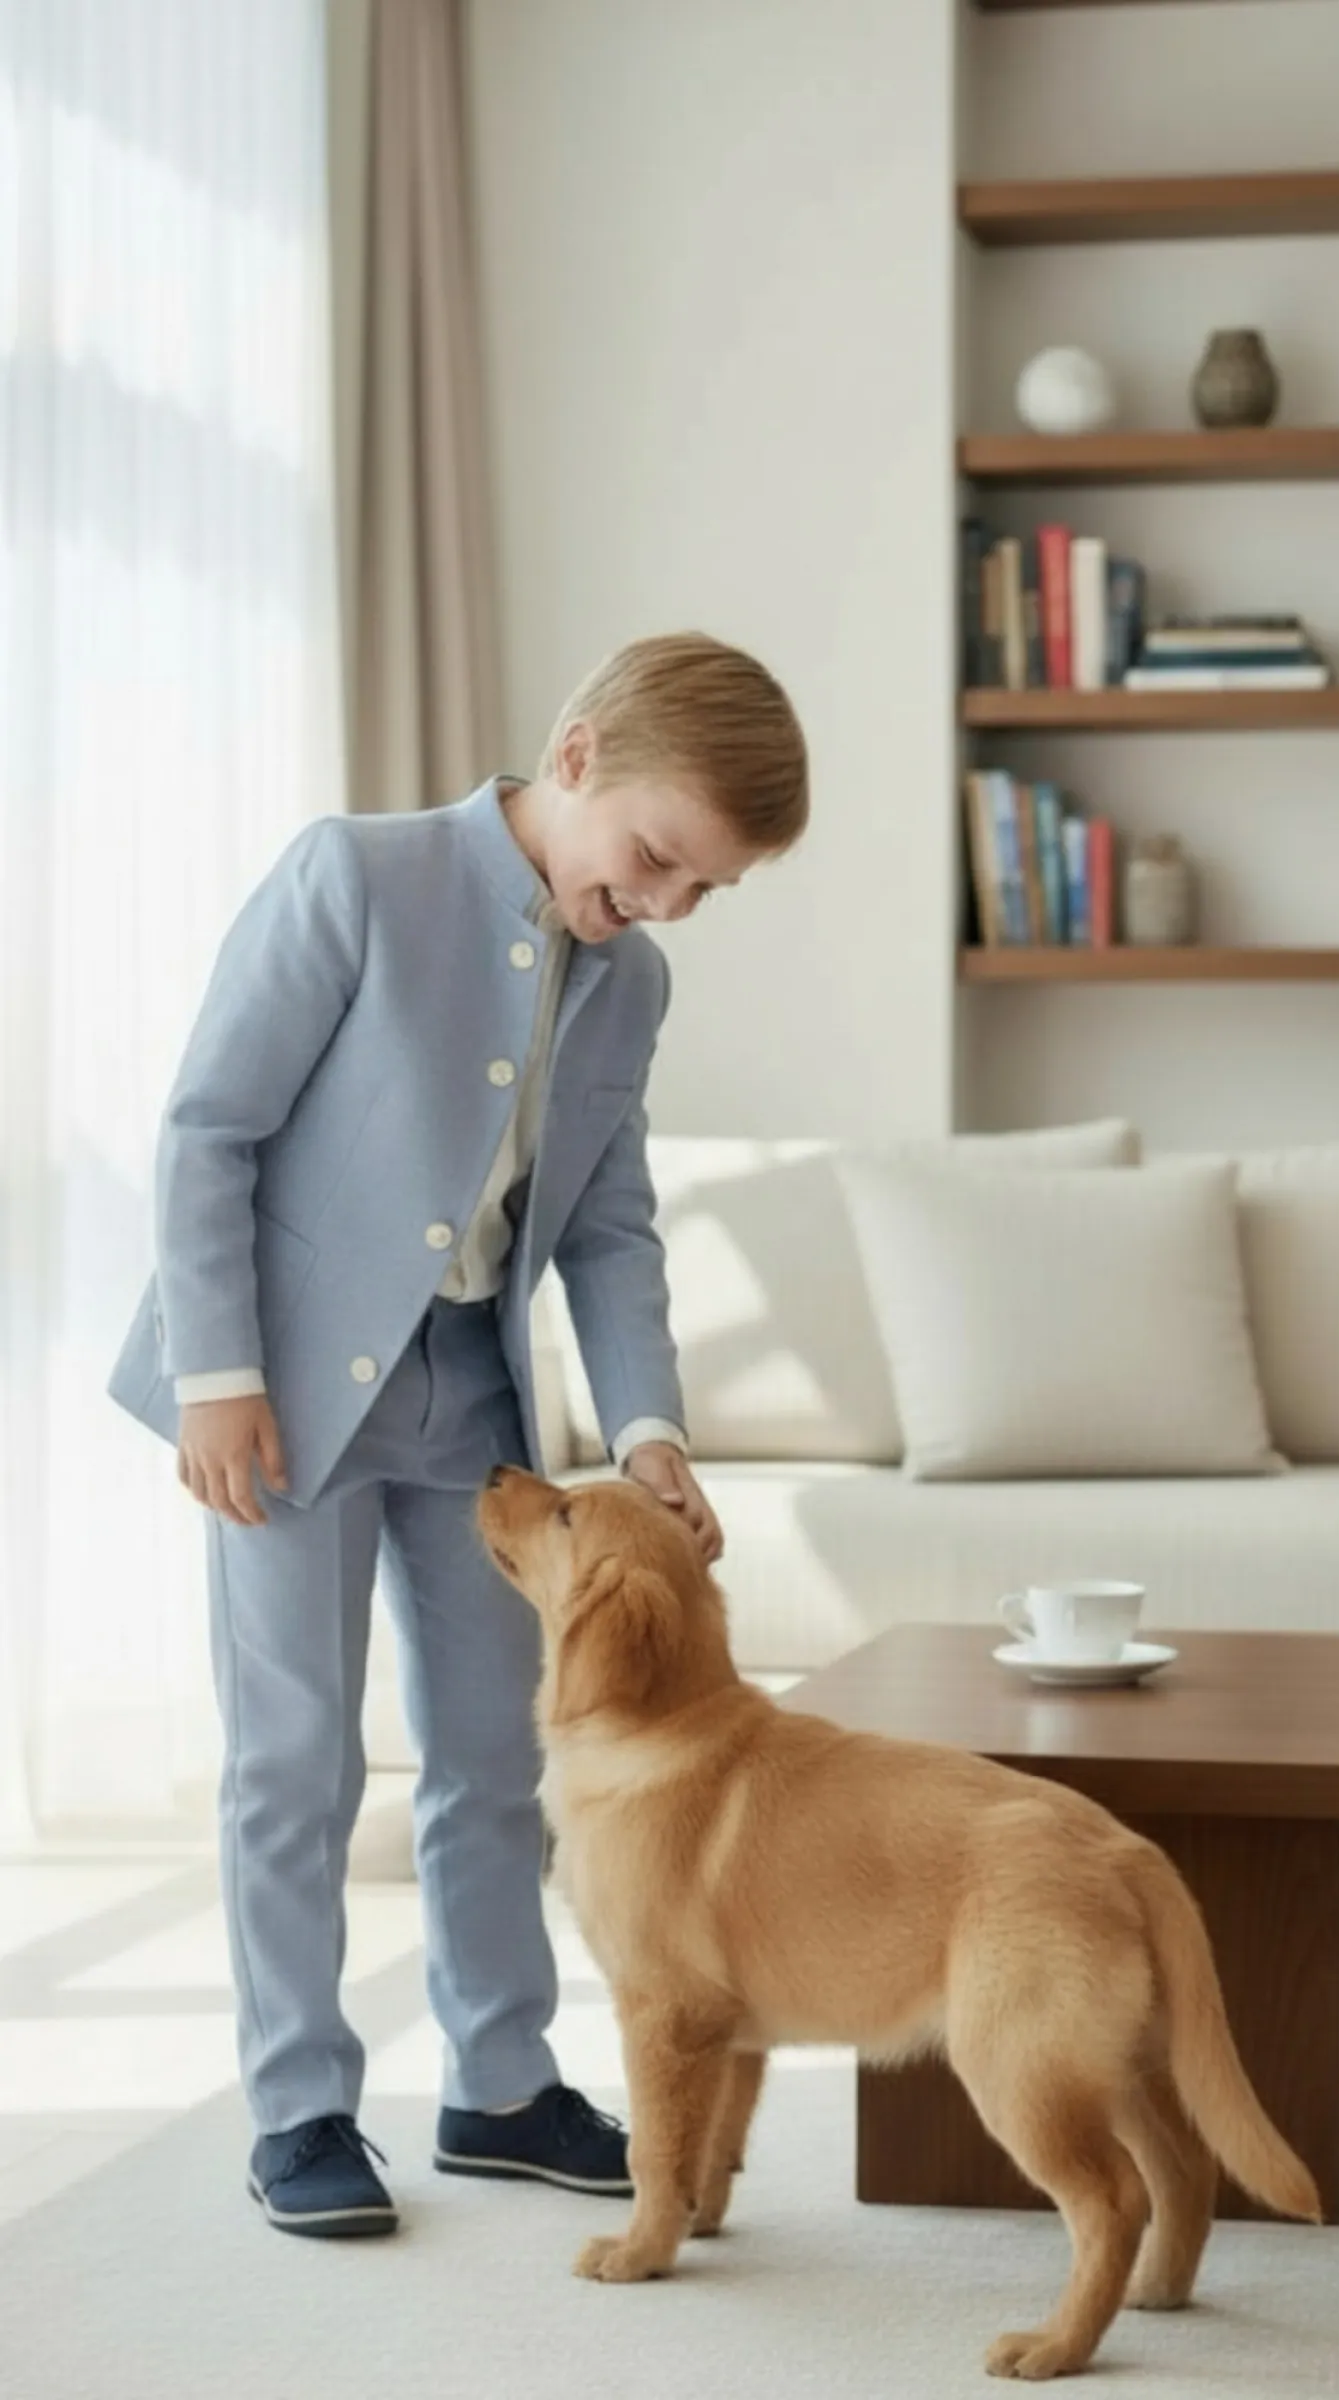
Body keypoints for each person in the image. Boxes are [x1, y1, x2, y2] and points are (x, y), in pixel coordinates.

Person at [108, 631, 810, 2237]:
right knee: (294, 1759)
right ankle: (299, 2107)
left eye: (704, 890)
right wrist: (215, 1371)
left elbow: (609, 1224)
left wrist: (643, 1428)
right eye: (654, 861)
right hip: (279, 1400)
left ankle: (499, 2083)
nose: (663, 907)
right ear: (574, 758)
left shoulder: (633, 980)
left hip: (477, 1410)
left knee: (500, 1753)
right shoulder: (354, 878)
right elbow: (209, 1129)